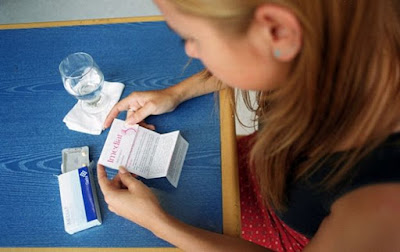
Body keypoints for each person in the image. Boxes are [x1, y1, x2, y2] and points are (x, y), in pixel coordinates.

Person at [97, 0, 400, 251]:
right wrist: (177, 92)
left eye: (193, 38)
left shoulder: (382, 207)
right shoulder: (347, 24)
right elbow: (262, 53)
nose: (191, 51)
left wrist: (158, 223)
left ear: (278, 31)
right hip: (266, 165)